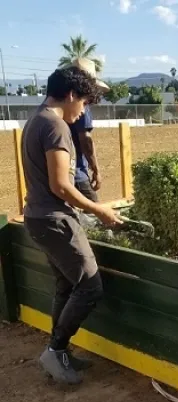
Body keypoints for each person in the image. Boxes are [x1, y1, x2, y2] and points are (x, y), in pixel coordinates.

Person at [21, 66, 122, 385]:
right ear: (70, 95)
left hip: (38, 217)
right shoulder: (56, 126)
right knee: (90, 286)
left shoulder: (36, 119)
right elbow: (61, 186)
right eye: (85, 102)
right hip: (56, 220)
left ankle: (59, 352)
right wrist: (99, 209)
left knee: (66, 285)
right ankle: (55, 349)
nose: (84, 111)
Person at [69, 58, 110, 202]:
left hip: (62, 175)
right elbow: (85, 139)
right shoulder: (81, 106)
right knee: (96, 216)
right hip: (76, 173)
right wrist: (96, 171)